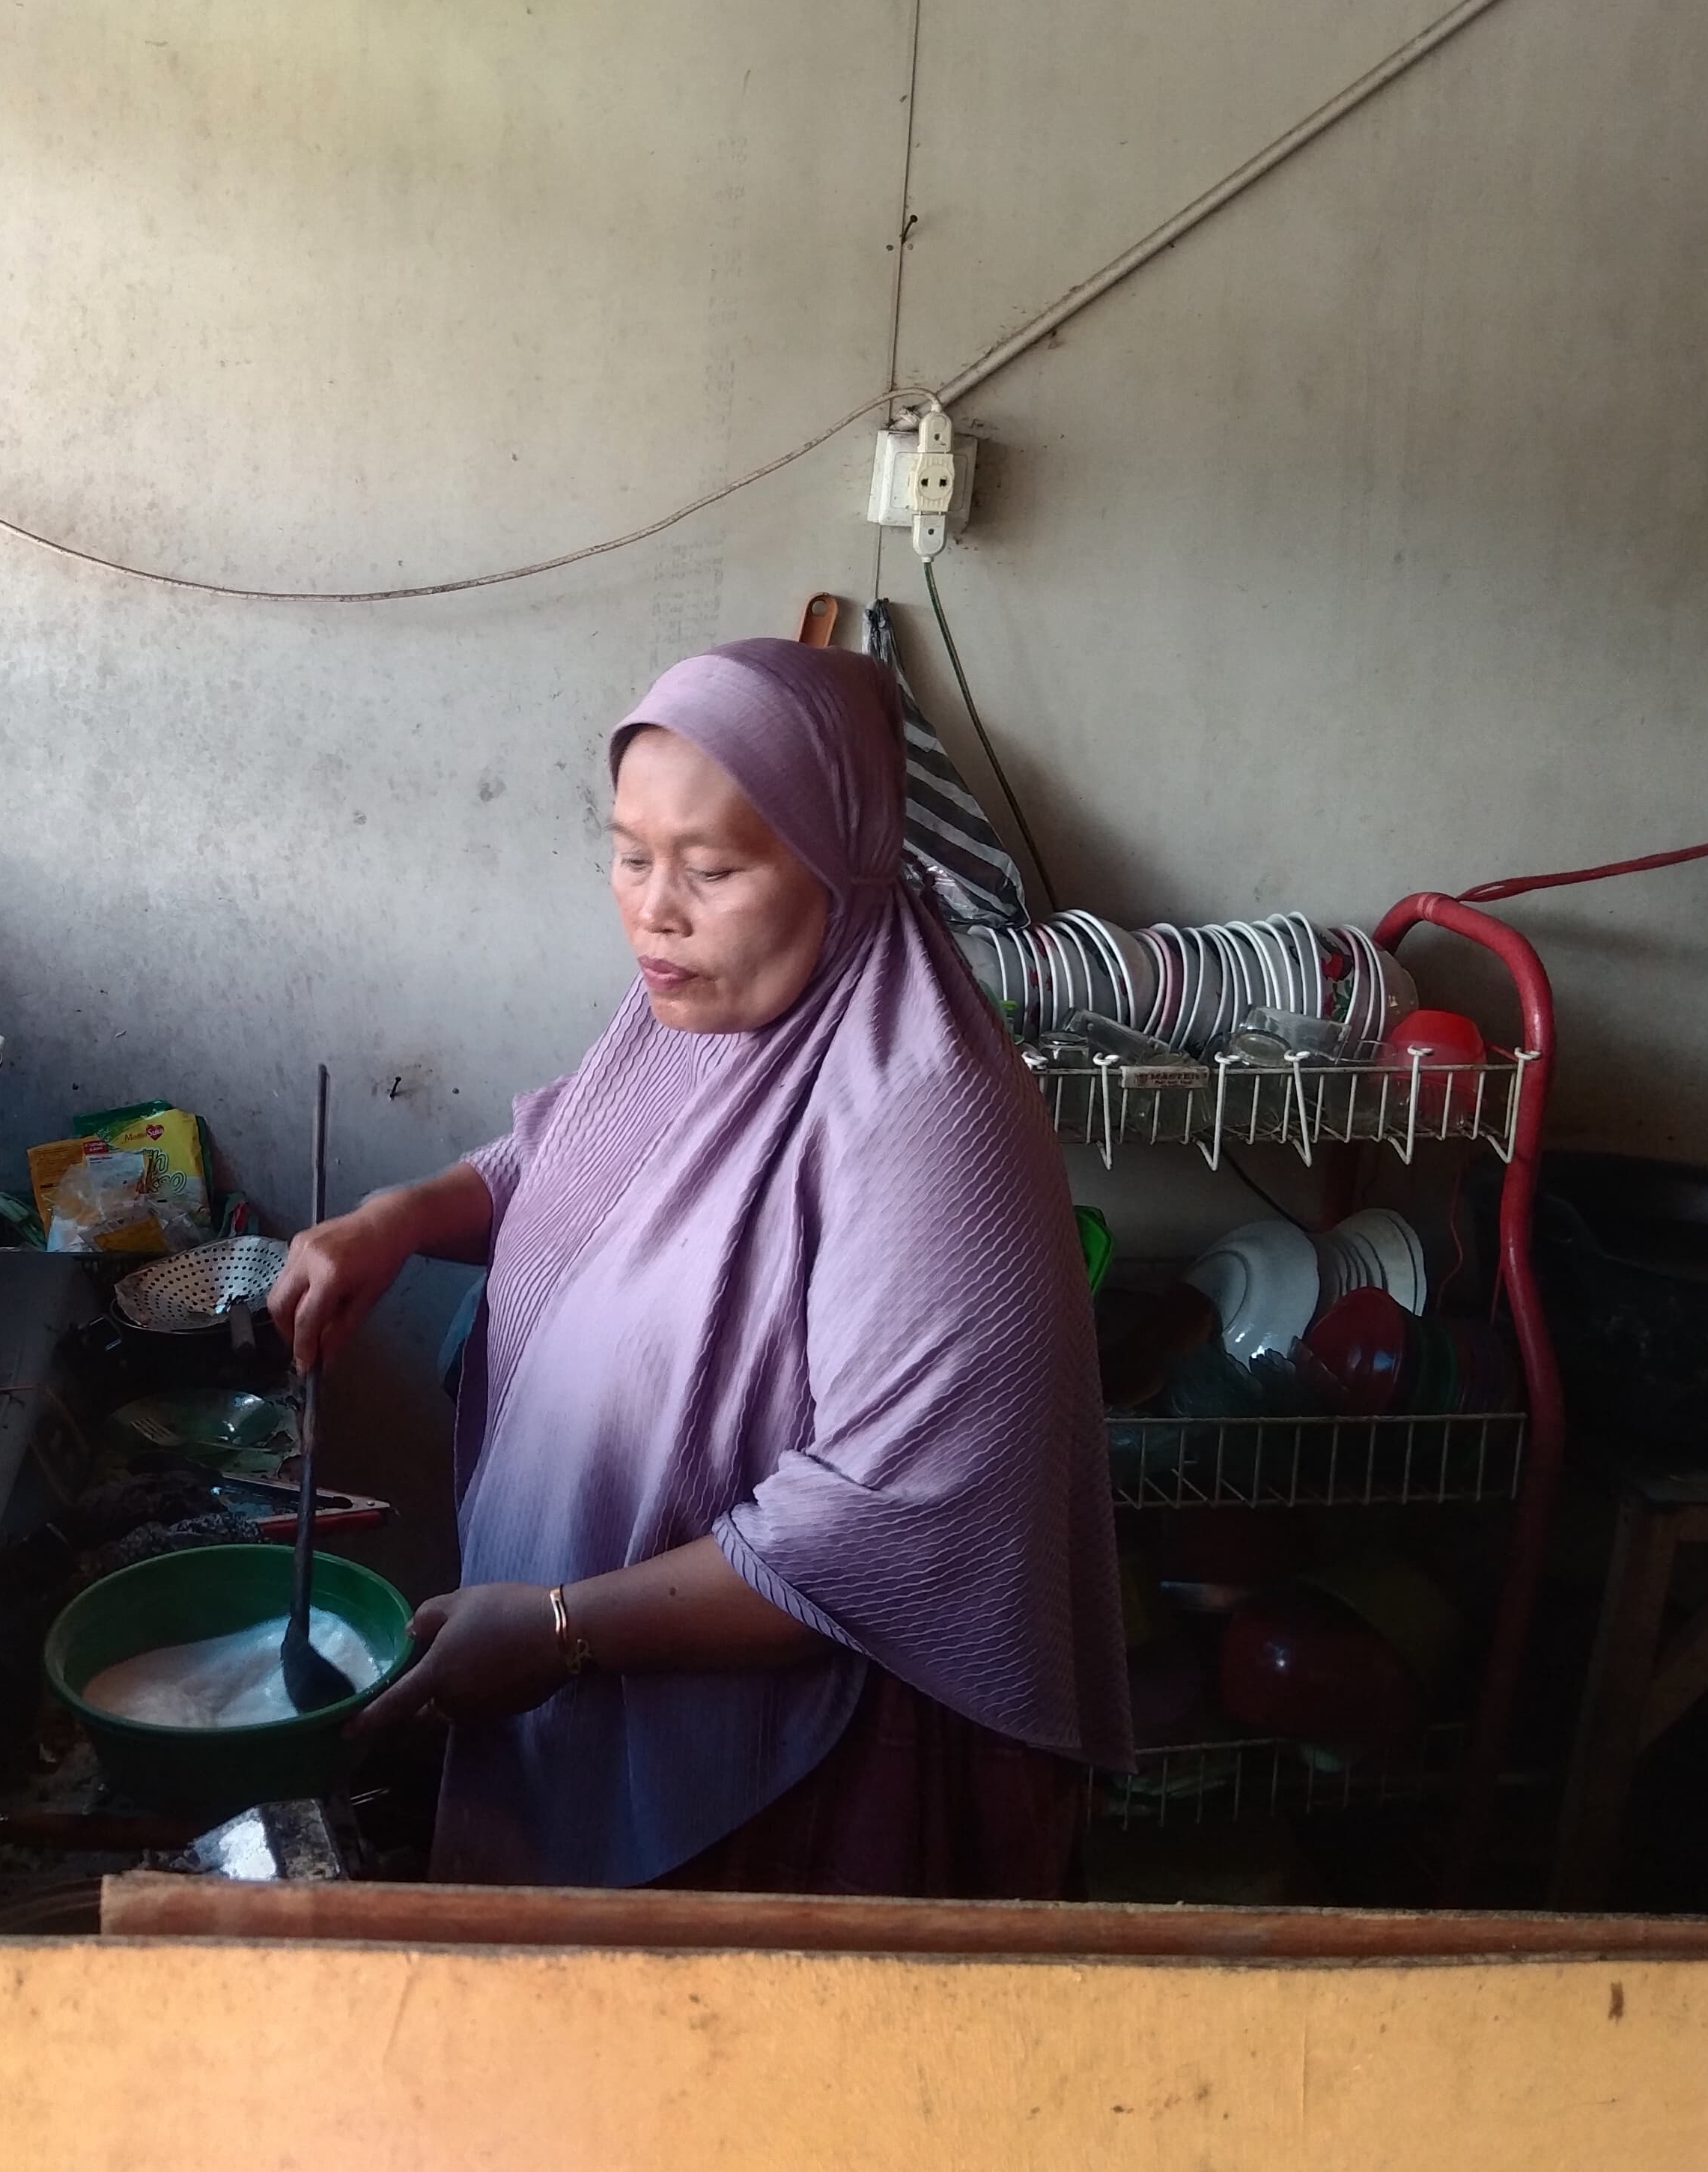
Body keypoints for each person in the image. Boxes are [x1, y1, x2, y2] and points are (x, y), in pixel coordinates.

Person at [267, 637, 1128, 1895]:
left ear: (844, 861)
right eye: (629, 854)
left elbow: (885, 1525)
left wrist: (563, 1632)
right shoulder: (696, 1011)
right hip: (604, 1678)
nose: (653, 908)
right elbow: (561, 1167)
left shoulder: (924, 1121)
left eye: (711, 869)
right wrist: (401, 1217)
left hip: (806, 1772)